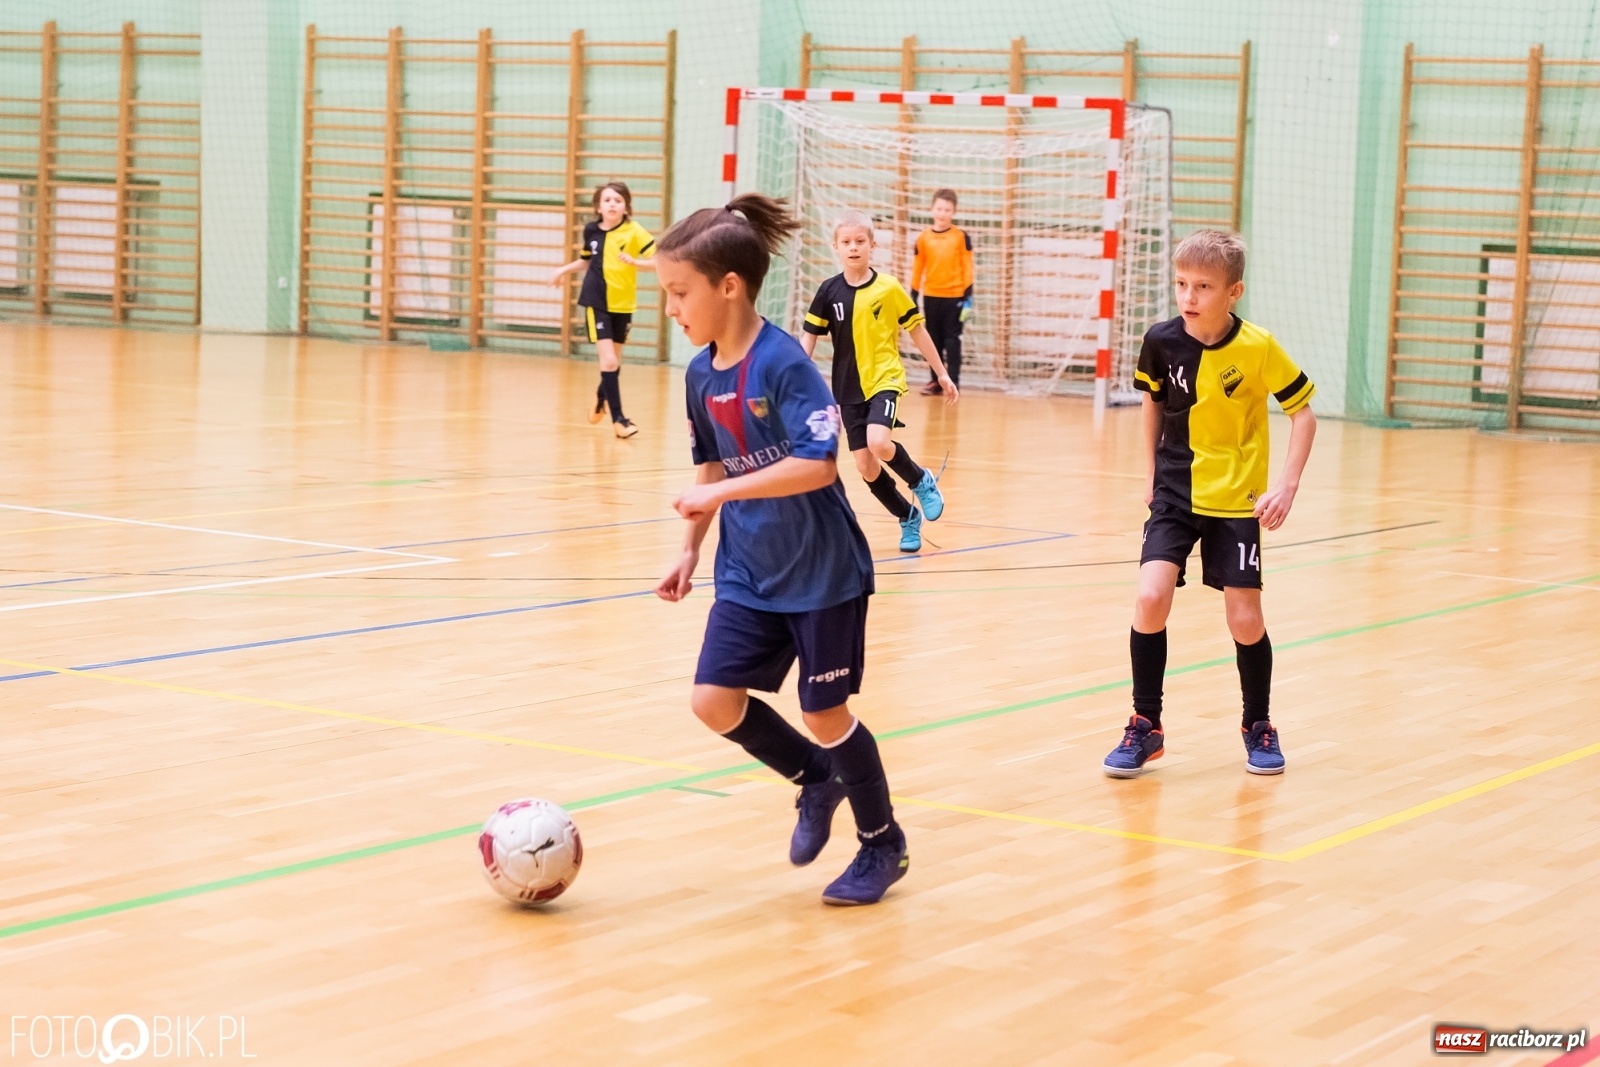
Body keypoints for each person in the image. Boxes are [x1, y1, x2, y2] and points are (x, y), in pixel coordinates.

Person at [653, 194, 910, 906]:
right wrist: (690, 549)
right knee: (713, 700)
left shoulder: (783, 362)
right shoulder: (700, 374)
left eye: (680, 292)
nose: (671, 309)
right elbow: (711, 466)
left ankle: (882, 842)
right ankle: (815, 778)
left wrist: (721, 495)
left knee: (825, 714)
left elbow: (818, 464)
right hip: (747, 570)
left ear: (729, 287)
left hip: (821, 571)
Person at [1103, 229, 1318, 779]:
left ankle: (1258, 725)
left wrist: (1286, 486)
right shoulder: (1160, 340)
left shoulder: (1258, 347)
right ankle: (1145, 725)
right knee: (1150, 596)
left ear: (1234, 291)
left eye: (1203, 286)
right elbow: (1153, 403)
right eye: (1181, 284)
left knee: (1244, 619)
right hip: (1175, 493)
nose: (1189, 296)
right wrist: (1151, 474)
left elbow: (1303, 414)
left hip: (1237, 502)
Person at [799, 210, 958, 553]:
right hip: (847, 388)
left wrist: (942, 373)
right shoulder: (828, 291)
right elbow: (809, 336)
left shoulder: (889, 288)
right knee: (865, 465)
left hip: (885, 378)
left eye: (860, 241)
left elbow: (917, 330)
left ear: (872, 245)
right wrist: (794, 377)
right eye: (846, 242)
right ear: (836, 247)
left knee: (879, 442)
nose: (853, 247)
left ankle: (921, 480)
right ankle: (907, 516)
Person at [549, 181, 655, 438]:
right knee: (608, 361)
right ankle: (619, 420)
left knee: (613, 363)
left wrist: (636, 262)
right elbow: (586, 261)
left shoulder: (635, 231)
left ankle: (600, 397)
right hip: (596, 301)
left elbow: (657, 260)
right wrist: (563, 270)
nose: (612, 204)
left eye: (618, 200)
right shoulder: (591, 231)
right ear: (598, 206)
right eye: (607, 200)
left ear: (626, 207)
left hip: (624, 304)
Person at [910, 188, 974, 396]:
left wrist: (968, 296)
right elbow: (918, 267)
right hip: (931, 297)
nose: (943, 213)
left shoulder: (961, 237)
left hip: (955, 298)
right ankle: (936, 381)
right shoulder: (923, 238)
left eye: (947, 210)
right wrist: (913, 293)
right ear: (932, 209)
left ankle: (953, 382)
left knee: (952, 342)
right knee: (933, 341)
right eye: (939, 209)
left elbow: (968, 267)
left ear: (954, 212)